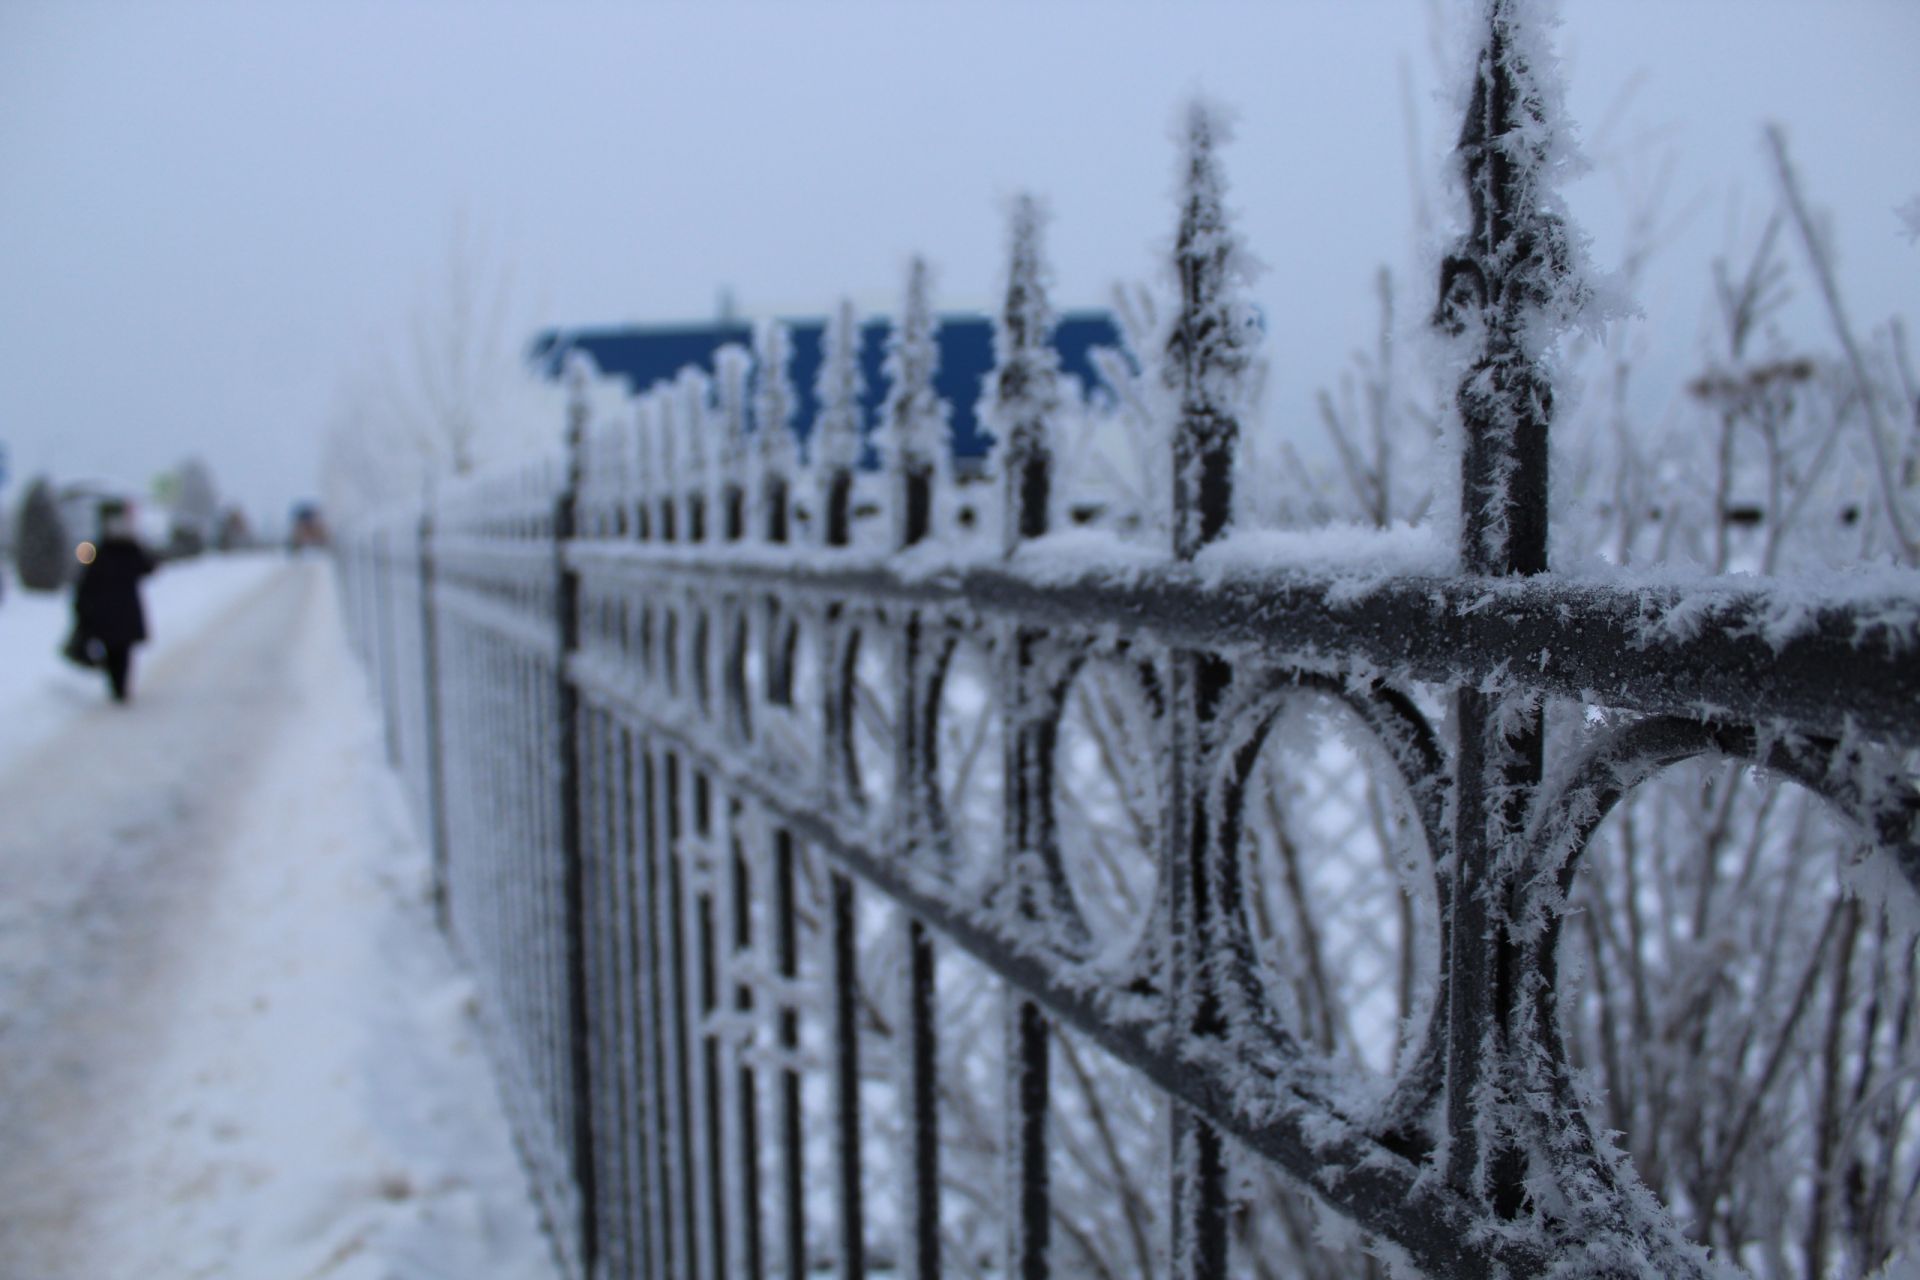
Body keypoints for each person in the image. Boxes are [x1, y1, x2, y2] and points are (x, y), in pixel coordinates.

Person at [72, 505, 155, 703]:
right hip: (118, 611)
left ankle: (117, 687)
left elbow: (148, 567)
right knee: (120, 651)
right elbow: (149, 566)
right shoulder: (118, 550)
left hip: (109, 612)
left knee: (116, 650)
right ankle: (119, 687)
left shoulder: (105, 550)